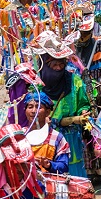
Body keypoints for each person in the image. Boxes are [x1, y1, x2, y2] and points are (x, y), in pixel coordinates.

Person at [36, 34, 90, 177]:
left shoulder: (74, 81)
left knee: (72, 176)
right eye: (54, 64)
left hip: (71, 138)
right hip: (44, 139)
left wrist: (83, 111)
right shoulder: (35, 86)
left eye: (61, 63)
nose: (59, 68)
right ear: (45, 65)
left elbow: (83, 102)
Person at [24, 92, 70, 173]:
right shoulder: (20, 136)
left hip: (48, 183)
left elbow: (63, 165)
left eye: (39, 107)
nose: (34, 111)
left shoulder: (57, 137)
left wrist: (49, 165)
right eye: (30, 107)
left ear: (47, 112)